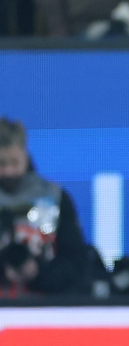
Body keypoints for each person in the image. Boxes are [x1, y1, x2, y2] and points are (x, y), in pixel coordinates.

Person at [0, 118, 89, 299]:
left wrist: (37, 273)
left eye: (15, 162)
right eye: (1, 164)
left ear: (25, 155)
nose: (8, 171)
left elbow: (76, 261)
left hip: (44, 306)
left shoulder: (53, 197)